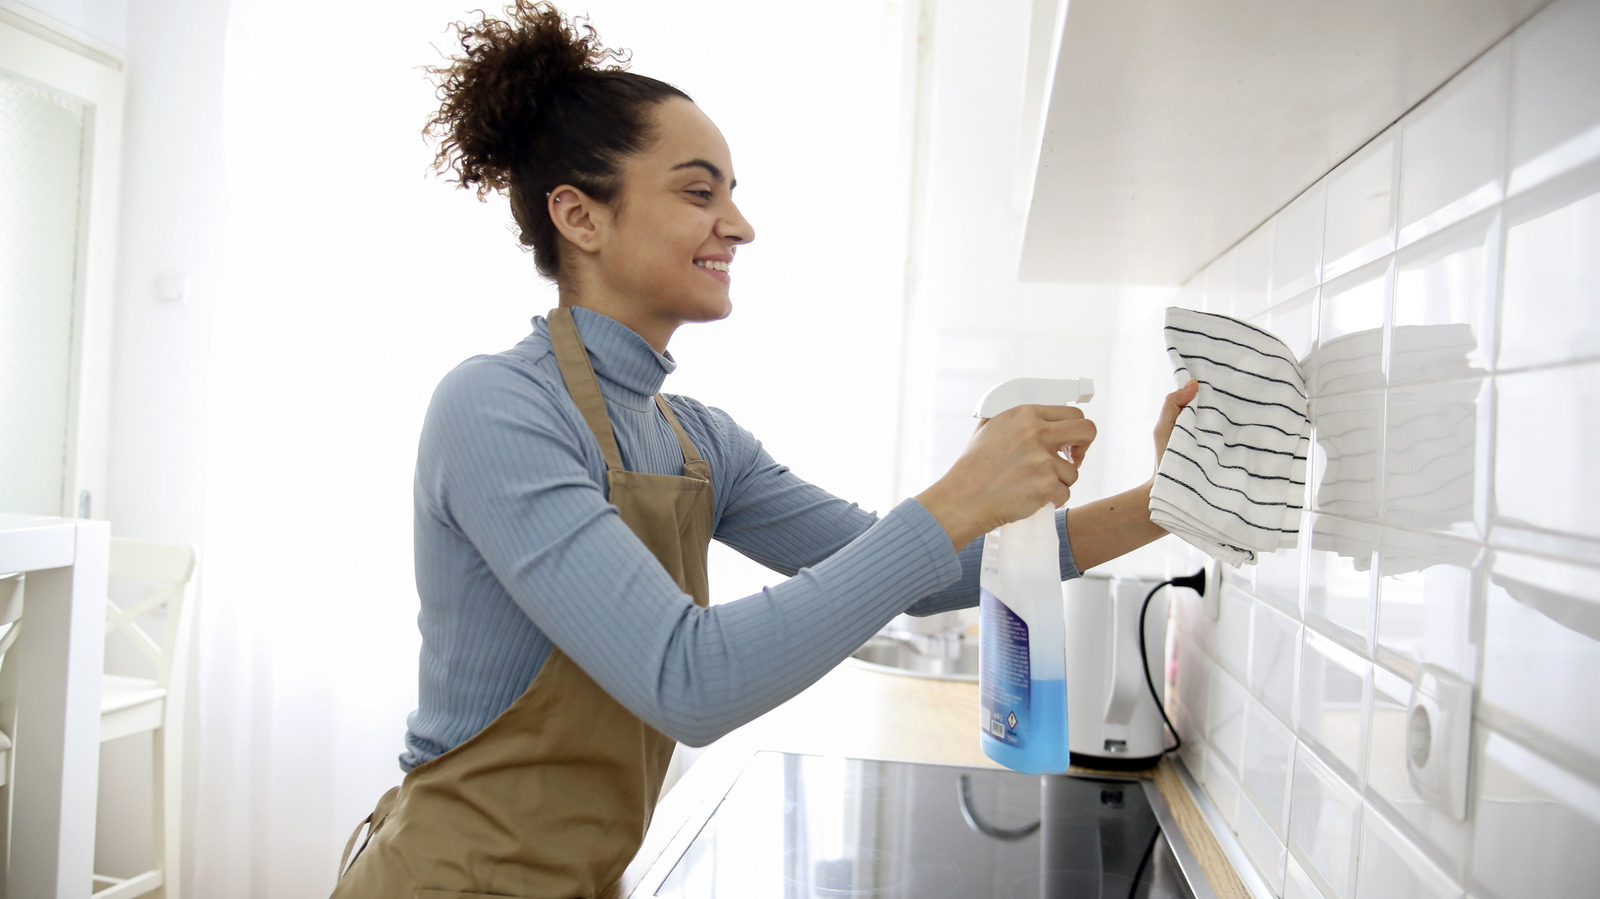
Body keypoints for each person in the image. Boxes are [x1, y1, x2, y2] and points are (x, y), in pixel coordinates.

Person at [331, 2, 1198, 896]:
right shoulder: (496, 410)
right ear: (580, 217)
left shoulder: (697, 440)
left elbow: (930, 571)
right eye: (700, 192)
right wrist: (952, 498)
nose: (739, 225)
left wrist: (1161, 501)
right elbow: (689, 679)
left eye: (733, 195)